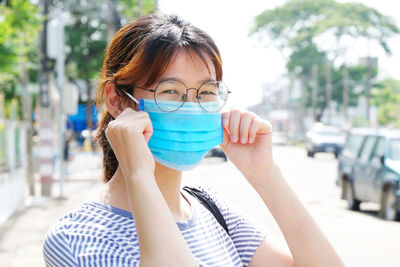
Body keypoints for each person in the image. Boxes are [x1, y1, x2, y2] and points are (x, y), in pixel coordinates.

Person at [43, 14, 344, 266]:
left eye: (206, 92)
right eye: (170, 91)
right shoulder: (79, 237)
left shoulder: (210, 207)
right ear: (117, 100)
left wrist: (264, 174)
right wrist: (139, 175)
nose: (191, 107)